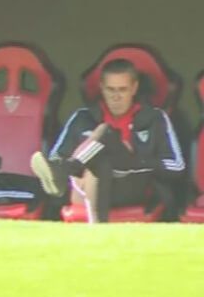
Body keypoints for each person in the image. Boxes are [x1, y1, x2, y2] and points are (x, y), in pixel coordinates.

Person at [31, 58, 185, 223]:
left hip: (132, 187)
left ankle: (68, 168)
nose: (116, 97)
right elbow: (56, 158)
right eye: (110, 90)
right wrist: (77, 174)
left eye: (122, 90)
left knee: (105, 133)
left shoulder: (155, 118)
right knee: (101, 160)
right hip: (85, 189)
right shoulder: (83, 117)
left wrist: (137, 160)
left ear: (134, 88)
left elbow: (177, 166)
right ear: (102, 88)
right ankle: (99, 231)